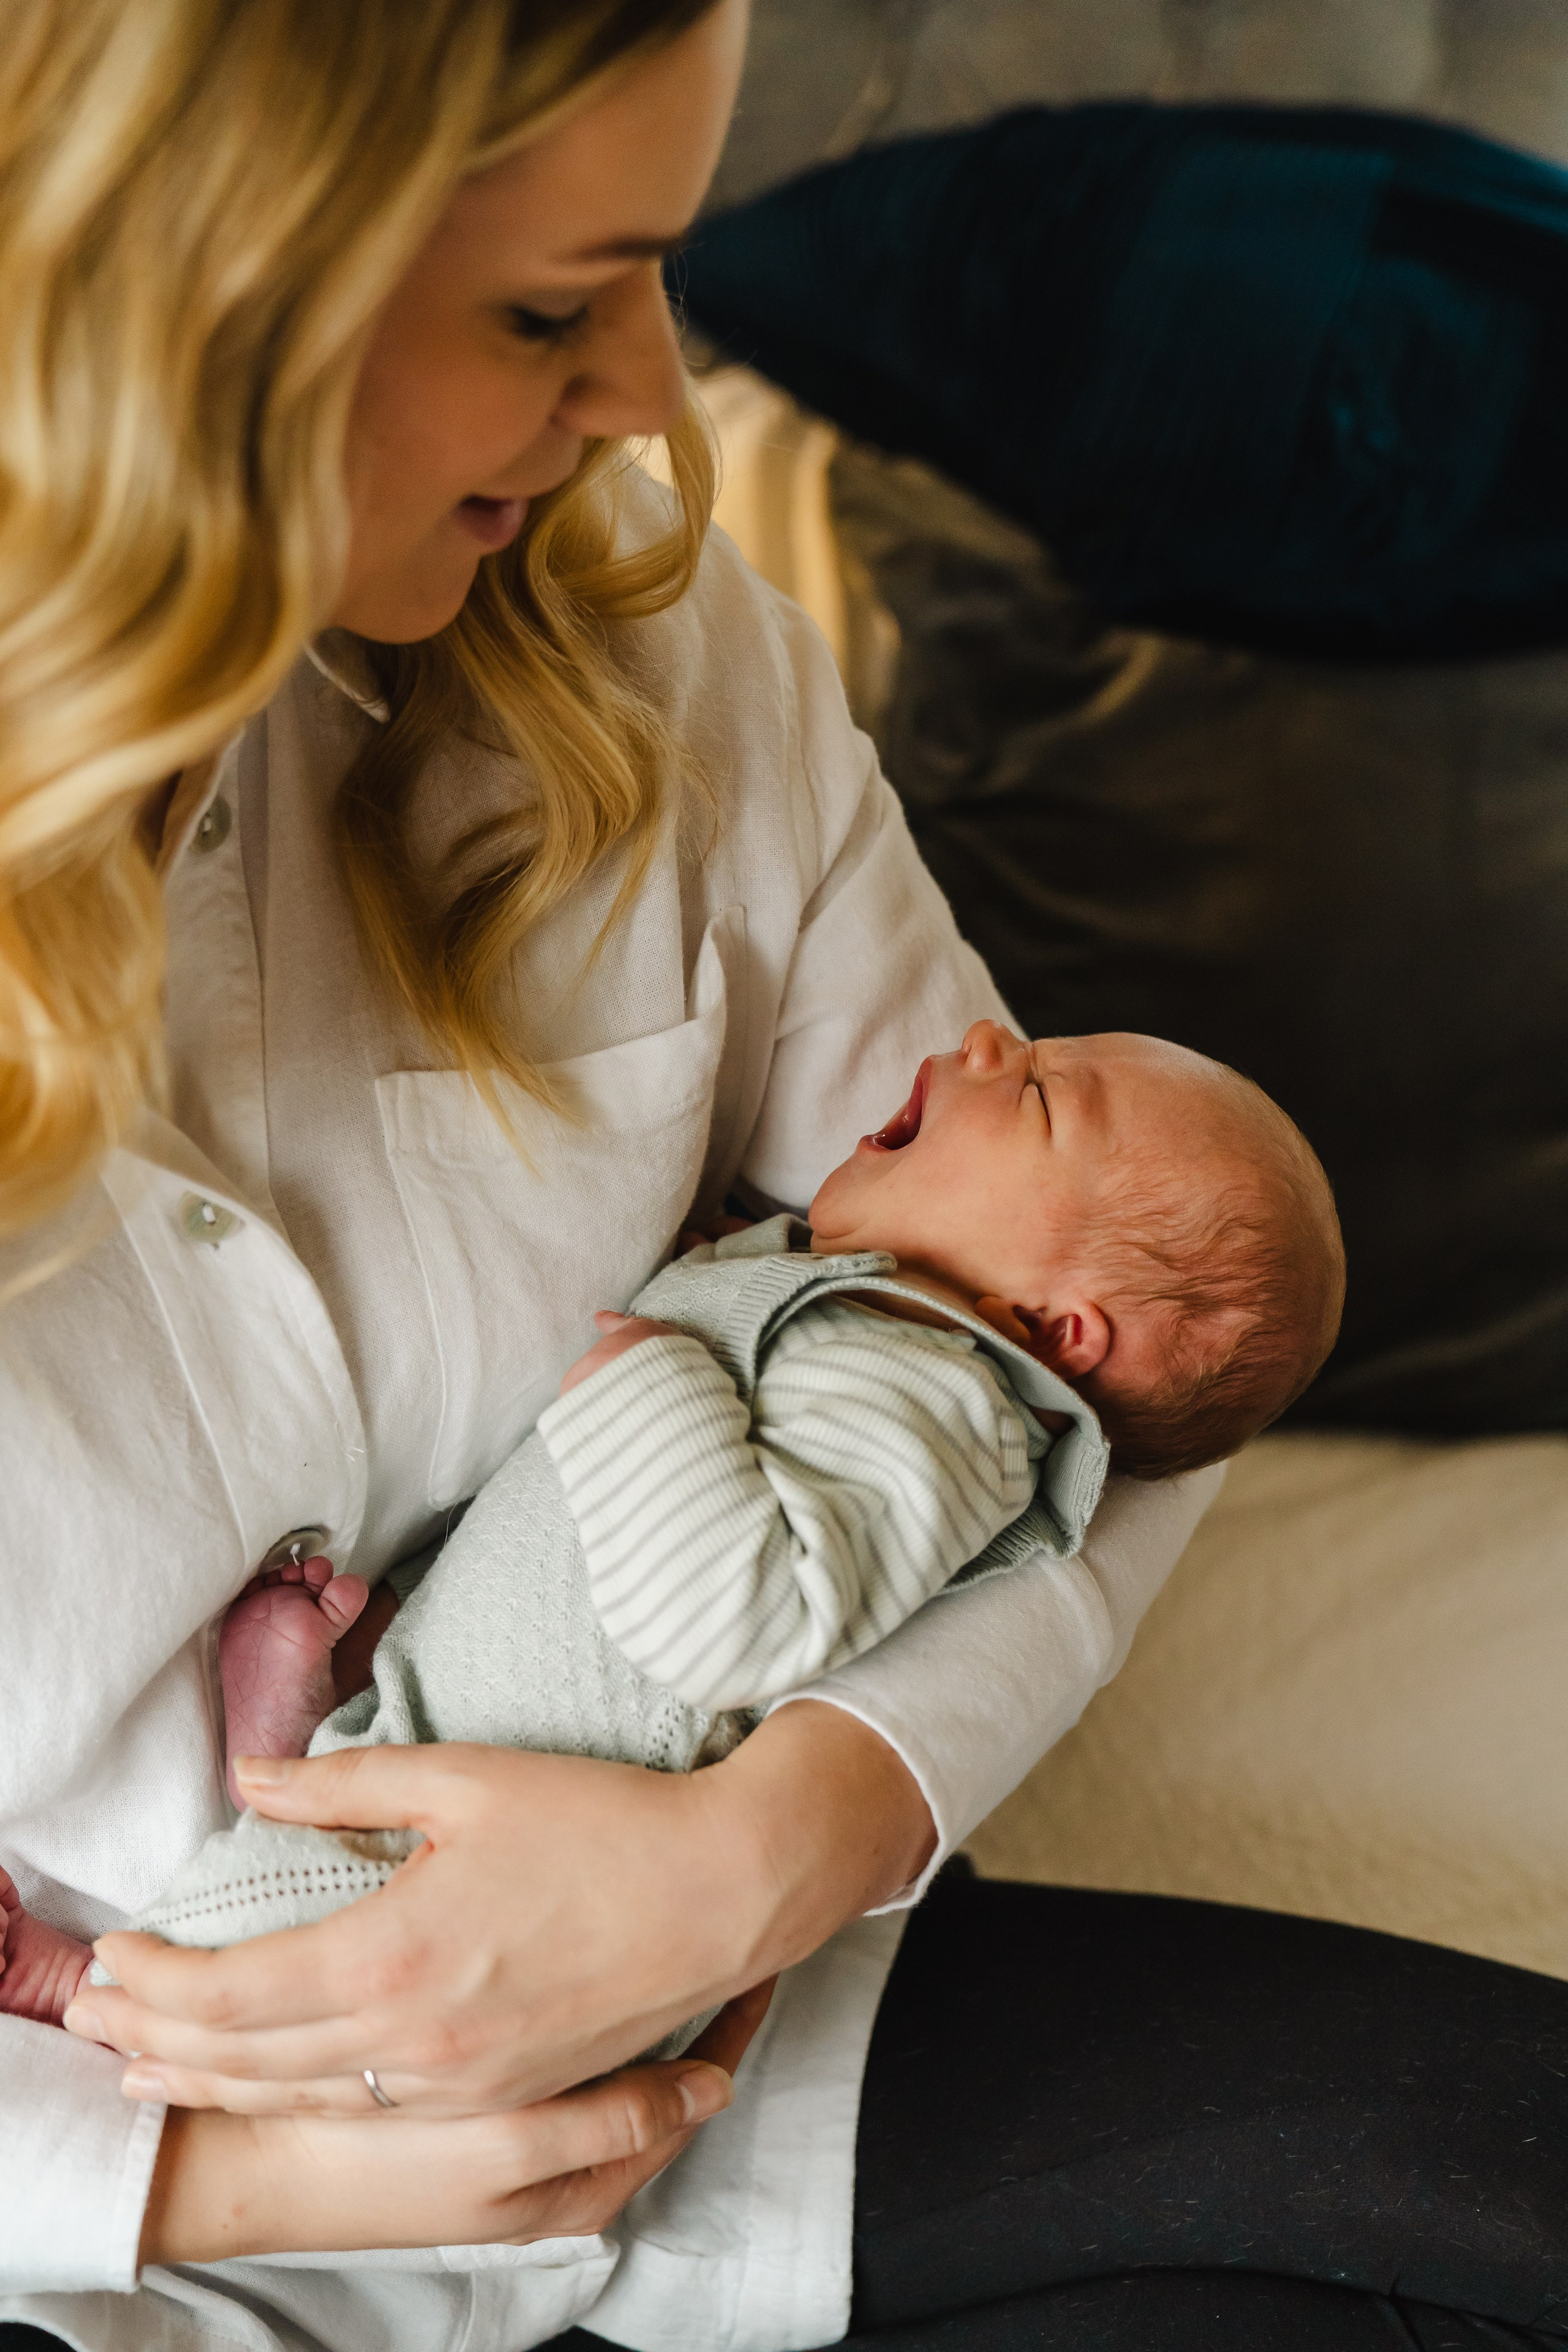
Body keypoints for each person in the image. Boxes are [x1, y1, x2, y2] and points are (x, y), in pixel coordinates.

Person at [2, 5, 1564, 2351]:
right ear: (191, 307)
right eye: (549, 306)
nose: (652, 388)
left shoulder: (634, 651)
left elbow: (1101, 1370)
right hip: (101, 2207)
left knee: (1504, 2180)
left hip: (714, 2067)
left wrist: (764, 1850)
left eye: (652, 269)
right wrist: (215, 2179)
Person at [0, 1024, 1343, 2012]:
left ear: (1048, 1328)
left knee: (276, 1979)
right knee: (324, 1863)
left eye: (1042, 1093)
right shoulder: (875, 1325)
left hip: (512, 1871)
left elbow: (732, 1622)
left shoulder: (947, 1403)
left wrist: (650, 1376)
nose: (991, 1037)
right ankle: (297, 1749)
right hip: (471, 1732)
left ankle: (89, 1994)